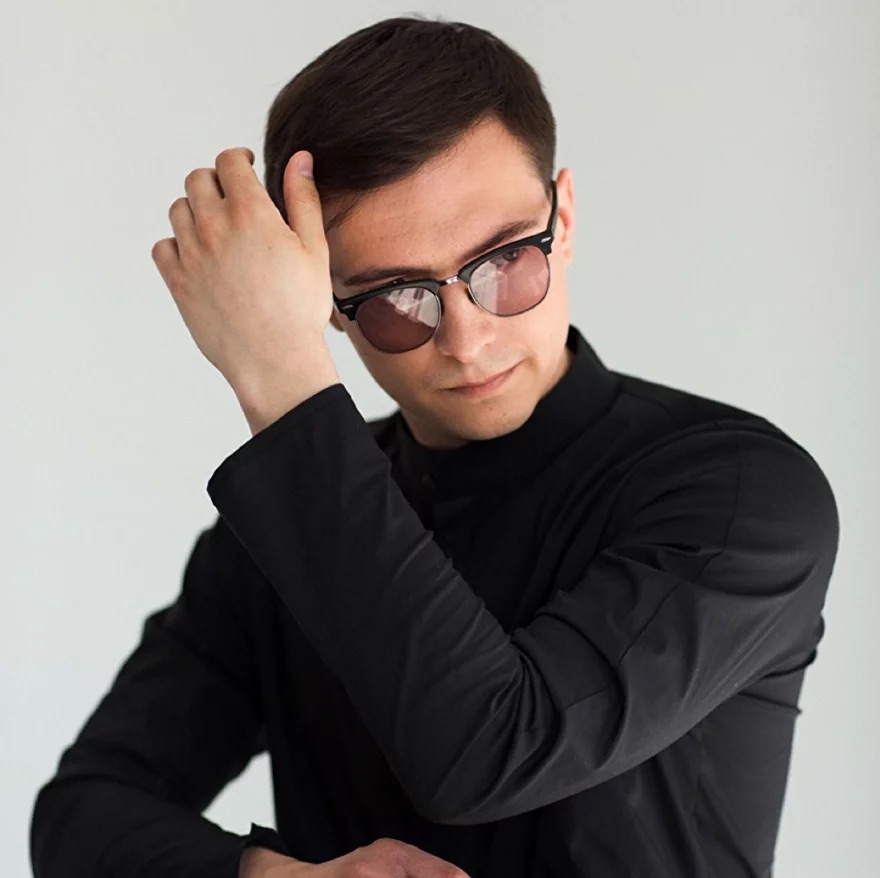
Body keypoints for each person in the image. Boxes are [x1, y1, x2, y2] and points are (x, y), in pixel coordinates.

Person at [29, 14, 839, 878]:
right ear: (325, 305)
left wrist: (281, 377)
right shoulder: (278, 533)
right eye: (396, 299)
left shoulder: (742, 493)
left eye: (506, 261)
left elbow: (491, 753)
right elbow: (79, 816)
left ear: (564, 218)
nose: (465, 336)